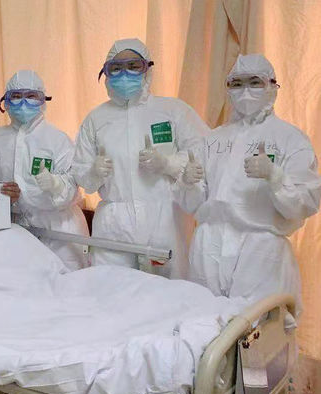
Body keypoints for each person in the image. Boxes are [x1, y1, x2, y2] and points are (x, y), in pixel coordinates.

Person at [177, 54, 321, 316]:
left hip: (260, 249)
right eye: (237, 83)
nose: (245, 91)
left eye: (255, 82)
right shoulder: (213, 139)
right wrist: (188, 183)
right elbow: (194, 202)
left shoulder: (290, 139)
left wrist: (276, 177)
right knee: (202, 323)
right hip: (208, 245)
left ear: (273, 87)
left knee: (257, 328)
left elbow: (305, 202)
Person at [72, 38, 208, 278]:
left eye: (133, 66)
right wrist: (93, 172)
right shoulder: (96, 119)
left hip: (165, 218)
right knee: (111, 289)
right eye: (116, 68)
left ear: (148, 69)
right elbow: (82, 175)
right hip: (113, 224)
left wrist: (168, 164)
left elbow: (203, 153)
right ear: (106, 73)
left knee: (169, 290)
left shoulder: (173, 111)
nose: (124, 74)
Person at [0, 70, 89, 271]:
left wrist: (57, 186)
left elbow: (74, 189)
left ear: (43, 100)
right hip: (14, 229)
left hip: (57, 230)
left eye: (31, 95)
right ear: (5, 102)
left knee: (64, 283)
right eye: (16, 96)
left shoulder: (59, 141)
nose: (23, 102)